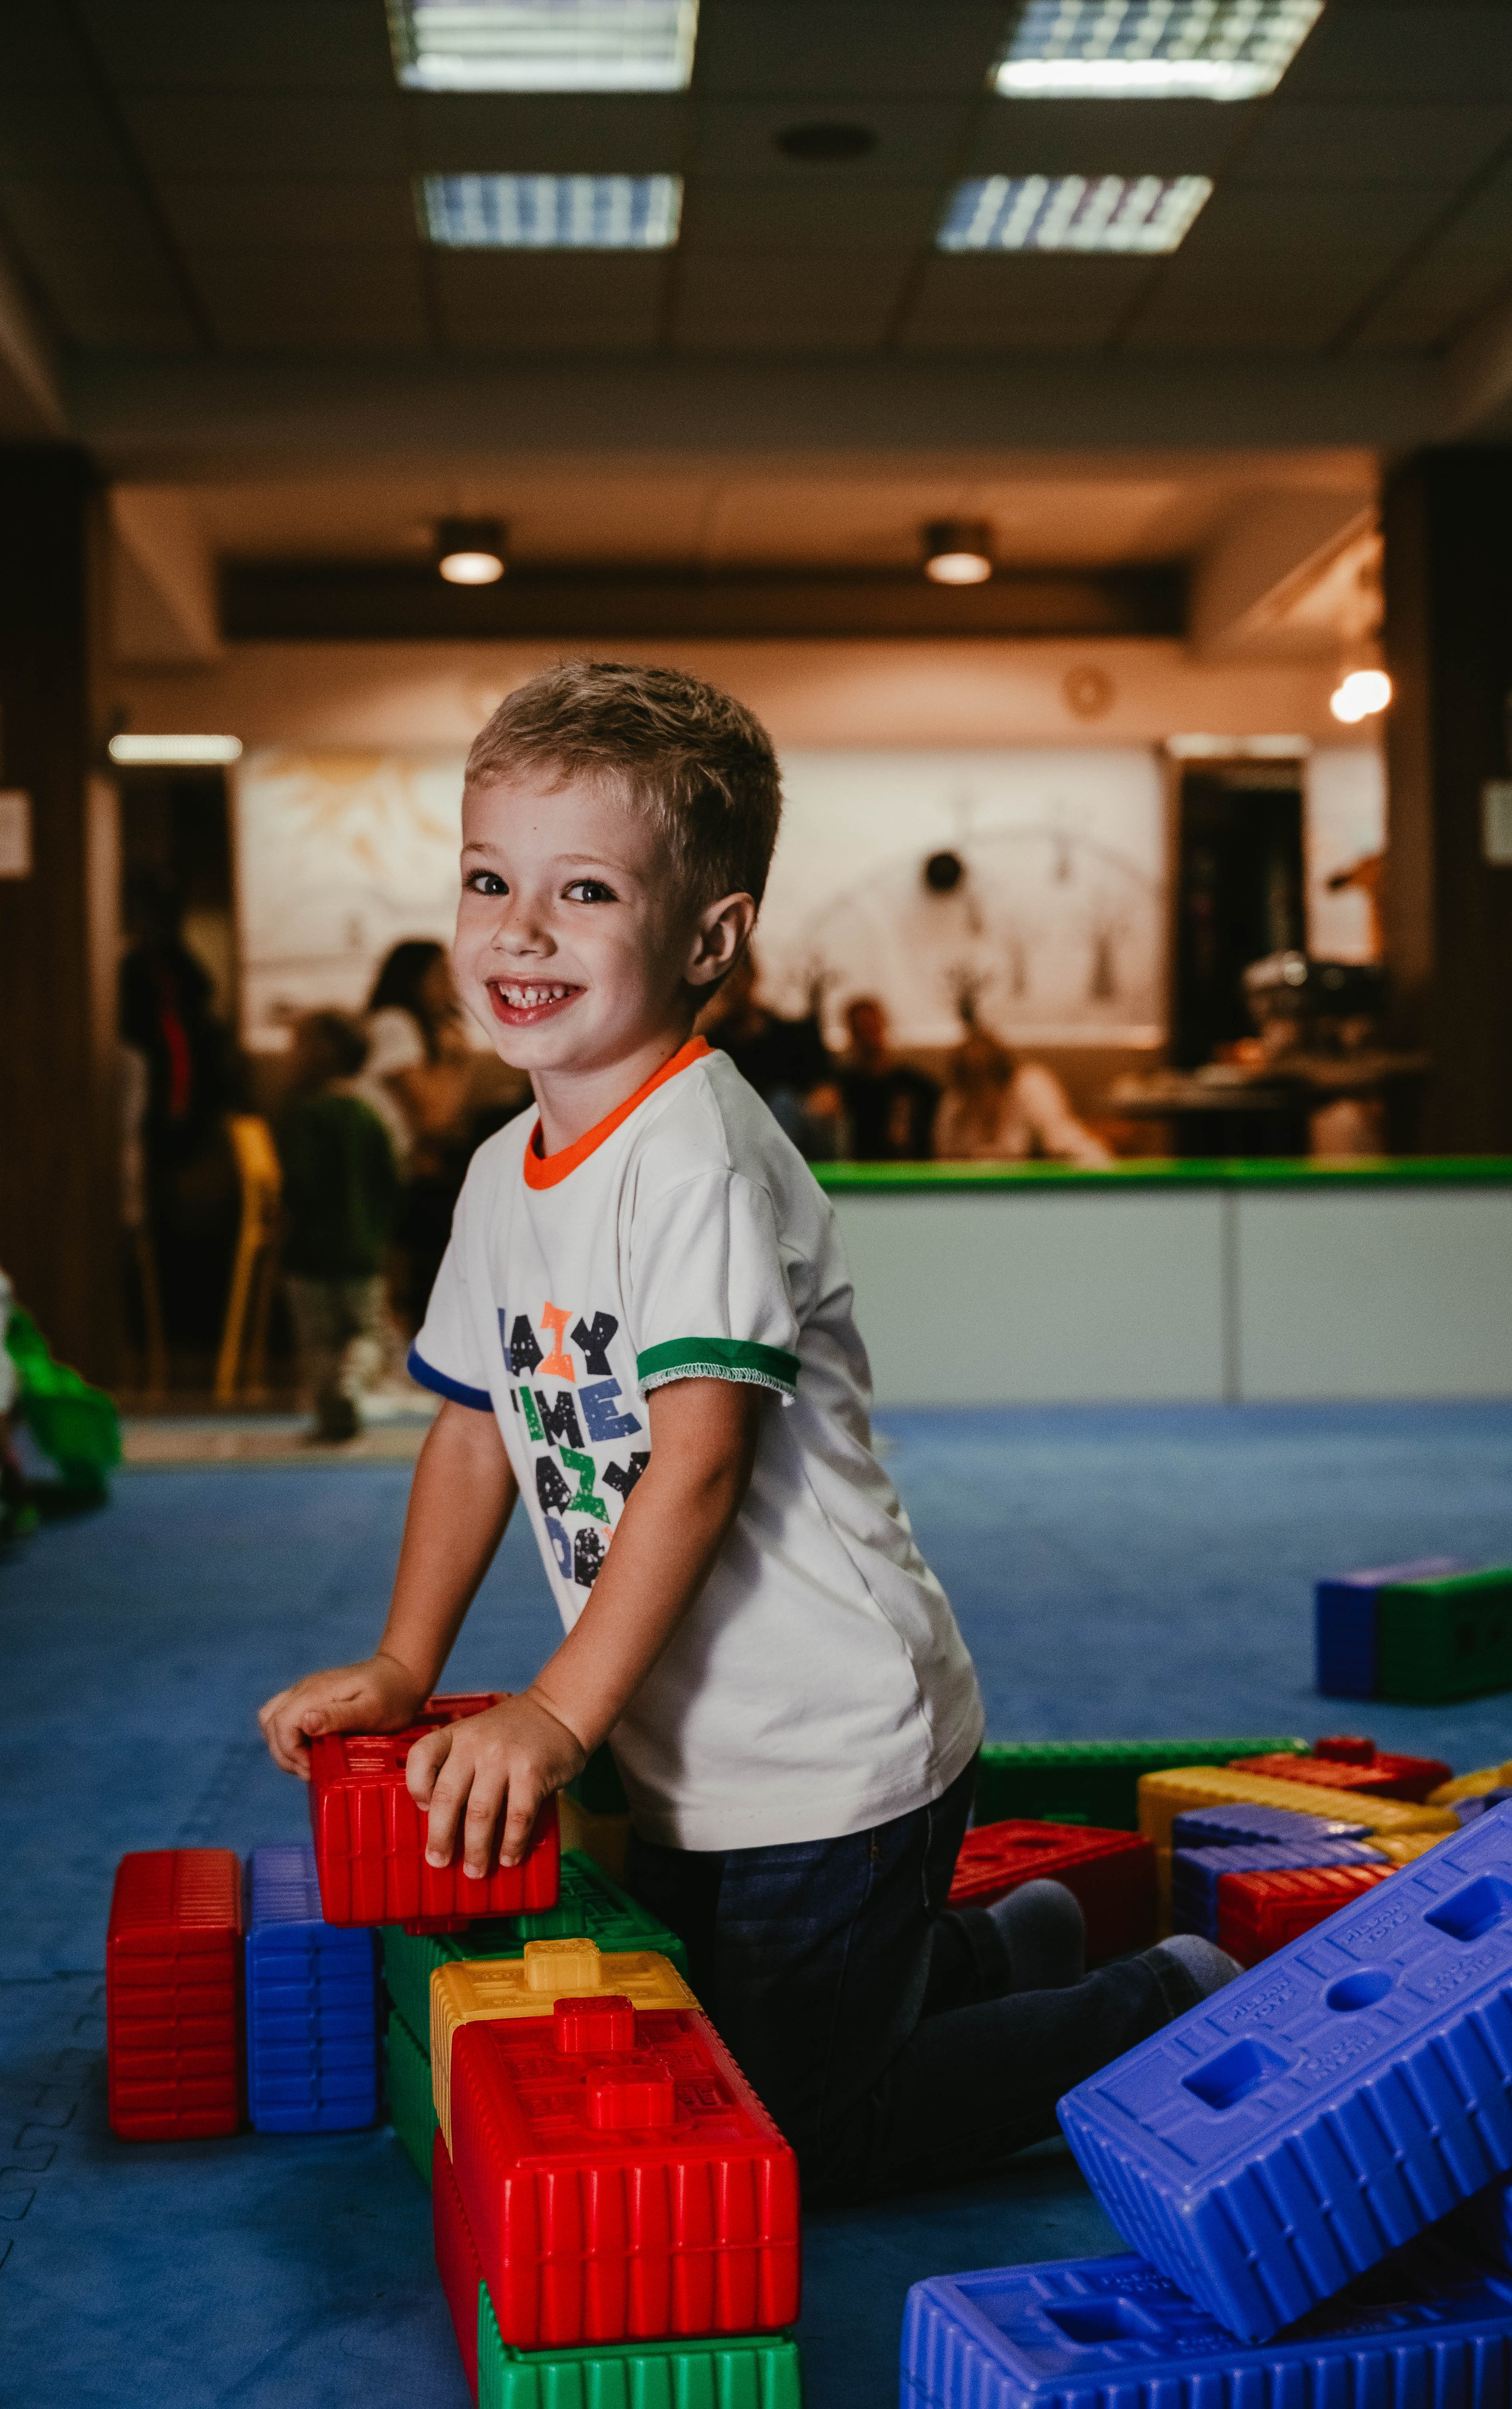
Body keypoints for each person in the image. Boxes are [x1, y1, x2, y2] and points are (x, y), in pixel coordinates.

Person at [257, 661, 1236, 2207]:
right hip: (694, 1744)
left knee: (791, 2128)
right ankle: (1006, 1941)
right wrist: (399, 1659)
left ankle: (1152, 2006)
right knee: (718, 2037)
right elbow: (467, 1425)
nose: (517, 926)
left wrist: (559, 1716)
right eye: (487, 877)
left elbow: (694, 1456)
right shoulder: (504, 1169)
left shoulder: (699, 1154)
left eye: (583, 890)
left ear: (709, 936)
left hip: (827, 1740)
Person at [276, 1011, 400, 1442]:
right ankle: (353, 1382)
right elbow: (390, 1181)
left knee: (318, 1341)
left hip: (309, 1254)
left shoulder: (307, 1116)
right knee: (367, 1334)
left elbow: (299, 1184)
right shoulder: (369, 1116)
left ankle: (329, 1412)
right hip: (363, 1254)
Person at [355, 939, 474, 1328]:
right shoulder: (394, 1024)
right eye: (440, 976)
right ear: (414, 980)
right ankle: (431, 1325)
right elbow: (436, 1119)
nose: (450, 987)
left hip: (386, 1168)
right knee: (457, 1205)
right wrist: (458, 1060)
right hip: (368, 1172)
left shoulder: (408, 1028)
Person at [697, 951, 842, 1160]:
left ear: (752, 976)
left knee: (783, 1102)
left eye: (732, 978)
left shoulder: (795, 1034)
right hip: (734, 1139)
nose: (727, 988)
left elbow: (828, 1099)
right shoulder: (709, 1044)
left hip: (792, 1145)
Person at [935, 1025, 1113, 1168]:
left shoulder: (1032, 1089)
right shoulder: (955, 1103)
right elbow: (945, 1167)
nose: (978, 1098)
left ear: (1003, 1080)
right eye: (970, 1088)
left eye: (983, 1084)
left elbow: (1088, 1157)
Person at [837, 994, 938, 1161]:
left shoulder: (916, 1085)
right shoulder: (844, 1086)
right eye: (861, 1029)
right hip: (860, 1174)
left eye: (871, 1027)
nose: (868, 1036)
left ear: (882, 1026)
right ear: (852, 1034)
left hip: (910, 1174)